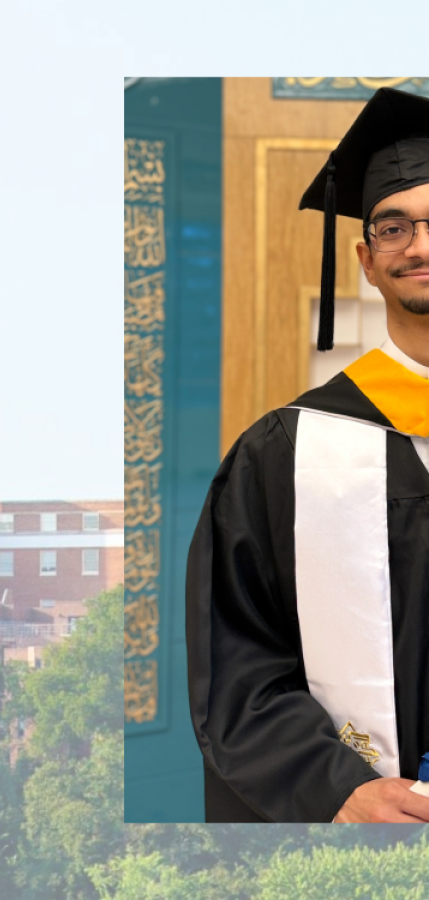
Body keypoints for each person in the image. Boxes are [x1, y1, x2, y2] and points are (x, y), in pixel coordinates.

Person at [187, 87, 429, 824]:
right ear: (364, 257)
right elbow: (238, 661)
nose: (419, 245)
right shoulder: (288, 452)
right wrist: (336, 789)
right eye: (394, 227)